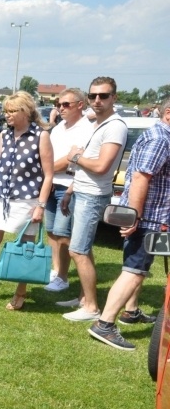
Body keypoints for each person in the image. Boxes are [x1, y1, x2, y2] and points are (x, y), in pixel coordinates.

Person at [88, 97, 170, 350]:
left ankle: (130, 311)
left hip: (152, 218)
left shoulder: (159, 135)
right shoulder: (160, 139)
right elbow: (140, 178)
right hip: (149, 219)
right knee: (133, 272)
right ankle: (104, 324)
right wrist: (135, 216)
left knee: (139, 268)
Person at [0, 91, 54, 310]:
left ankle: (21, 290)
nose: (7, 115)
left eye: (12, 111)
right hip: (1, 197)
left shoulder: (41, 136)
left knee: (26, 246)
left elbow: (49, 175)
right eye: (5, 111)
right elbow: (4, 167)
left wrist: (40, 206)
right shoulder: (3, 136)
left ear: (25, 112)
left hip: (28, 200)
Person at [58, 76, 128, 321]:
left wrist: (75, 157)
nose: (97, 100)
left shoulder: (115, 126)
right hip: (82, 190)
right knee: (83, 249)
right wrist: (71, 189)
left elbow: (101, 166)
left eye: (104, 95)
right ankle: (83, 299)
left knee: (78, 250)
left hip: (93, 195)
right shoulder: (99, 122)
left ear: (114, 98)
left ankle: (91, 308)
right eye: (93, 96)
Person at [42, 89, 94, 292]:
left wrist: (45, 170)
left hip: (68, 185)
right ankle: (56, 270)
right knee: (51, 231)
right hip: (51, 183)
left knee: (63, 233)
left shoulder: (86, 129)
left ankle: (63, 277)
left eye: (66, 104)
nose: (60, 108)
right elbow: (48, 153)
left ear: (80, 105)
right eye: (58, 104)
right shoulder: (58, 128)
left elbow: (70, 159)